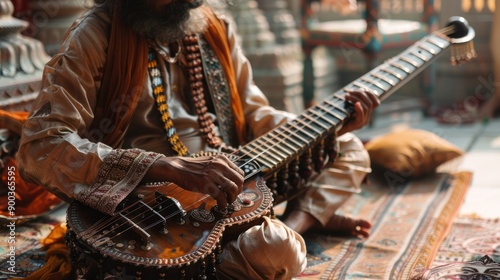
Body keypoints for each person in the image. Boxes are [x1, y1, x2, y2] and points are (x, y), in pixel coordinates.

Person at [17, 0, 379, 278]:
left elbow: (255, 114)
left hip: (236, 179)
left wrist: (327, 124)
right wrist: (166, 166)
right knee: (274, 251)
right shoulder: (94, 36)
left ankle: (296, 221)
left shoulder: (211, 24)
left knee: (348, 148)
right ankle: (288, 225)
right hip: (152, 207)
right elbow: (40, 145)